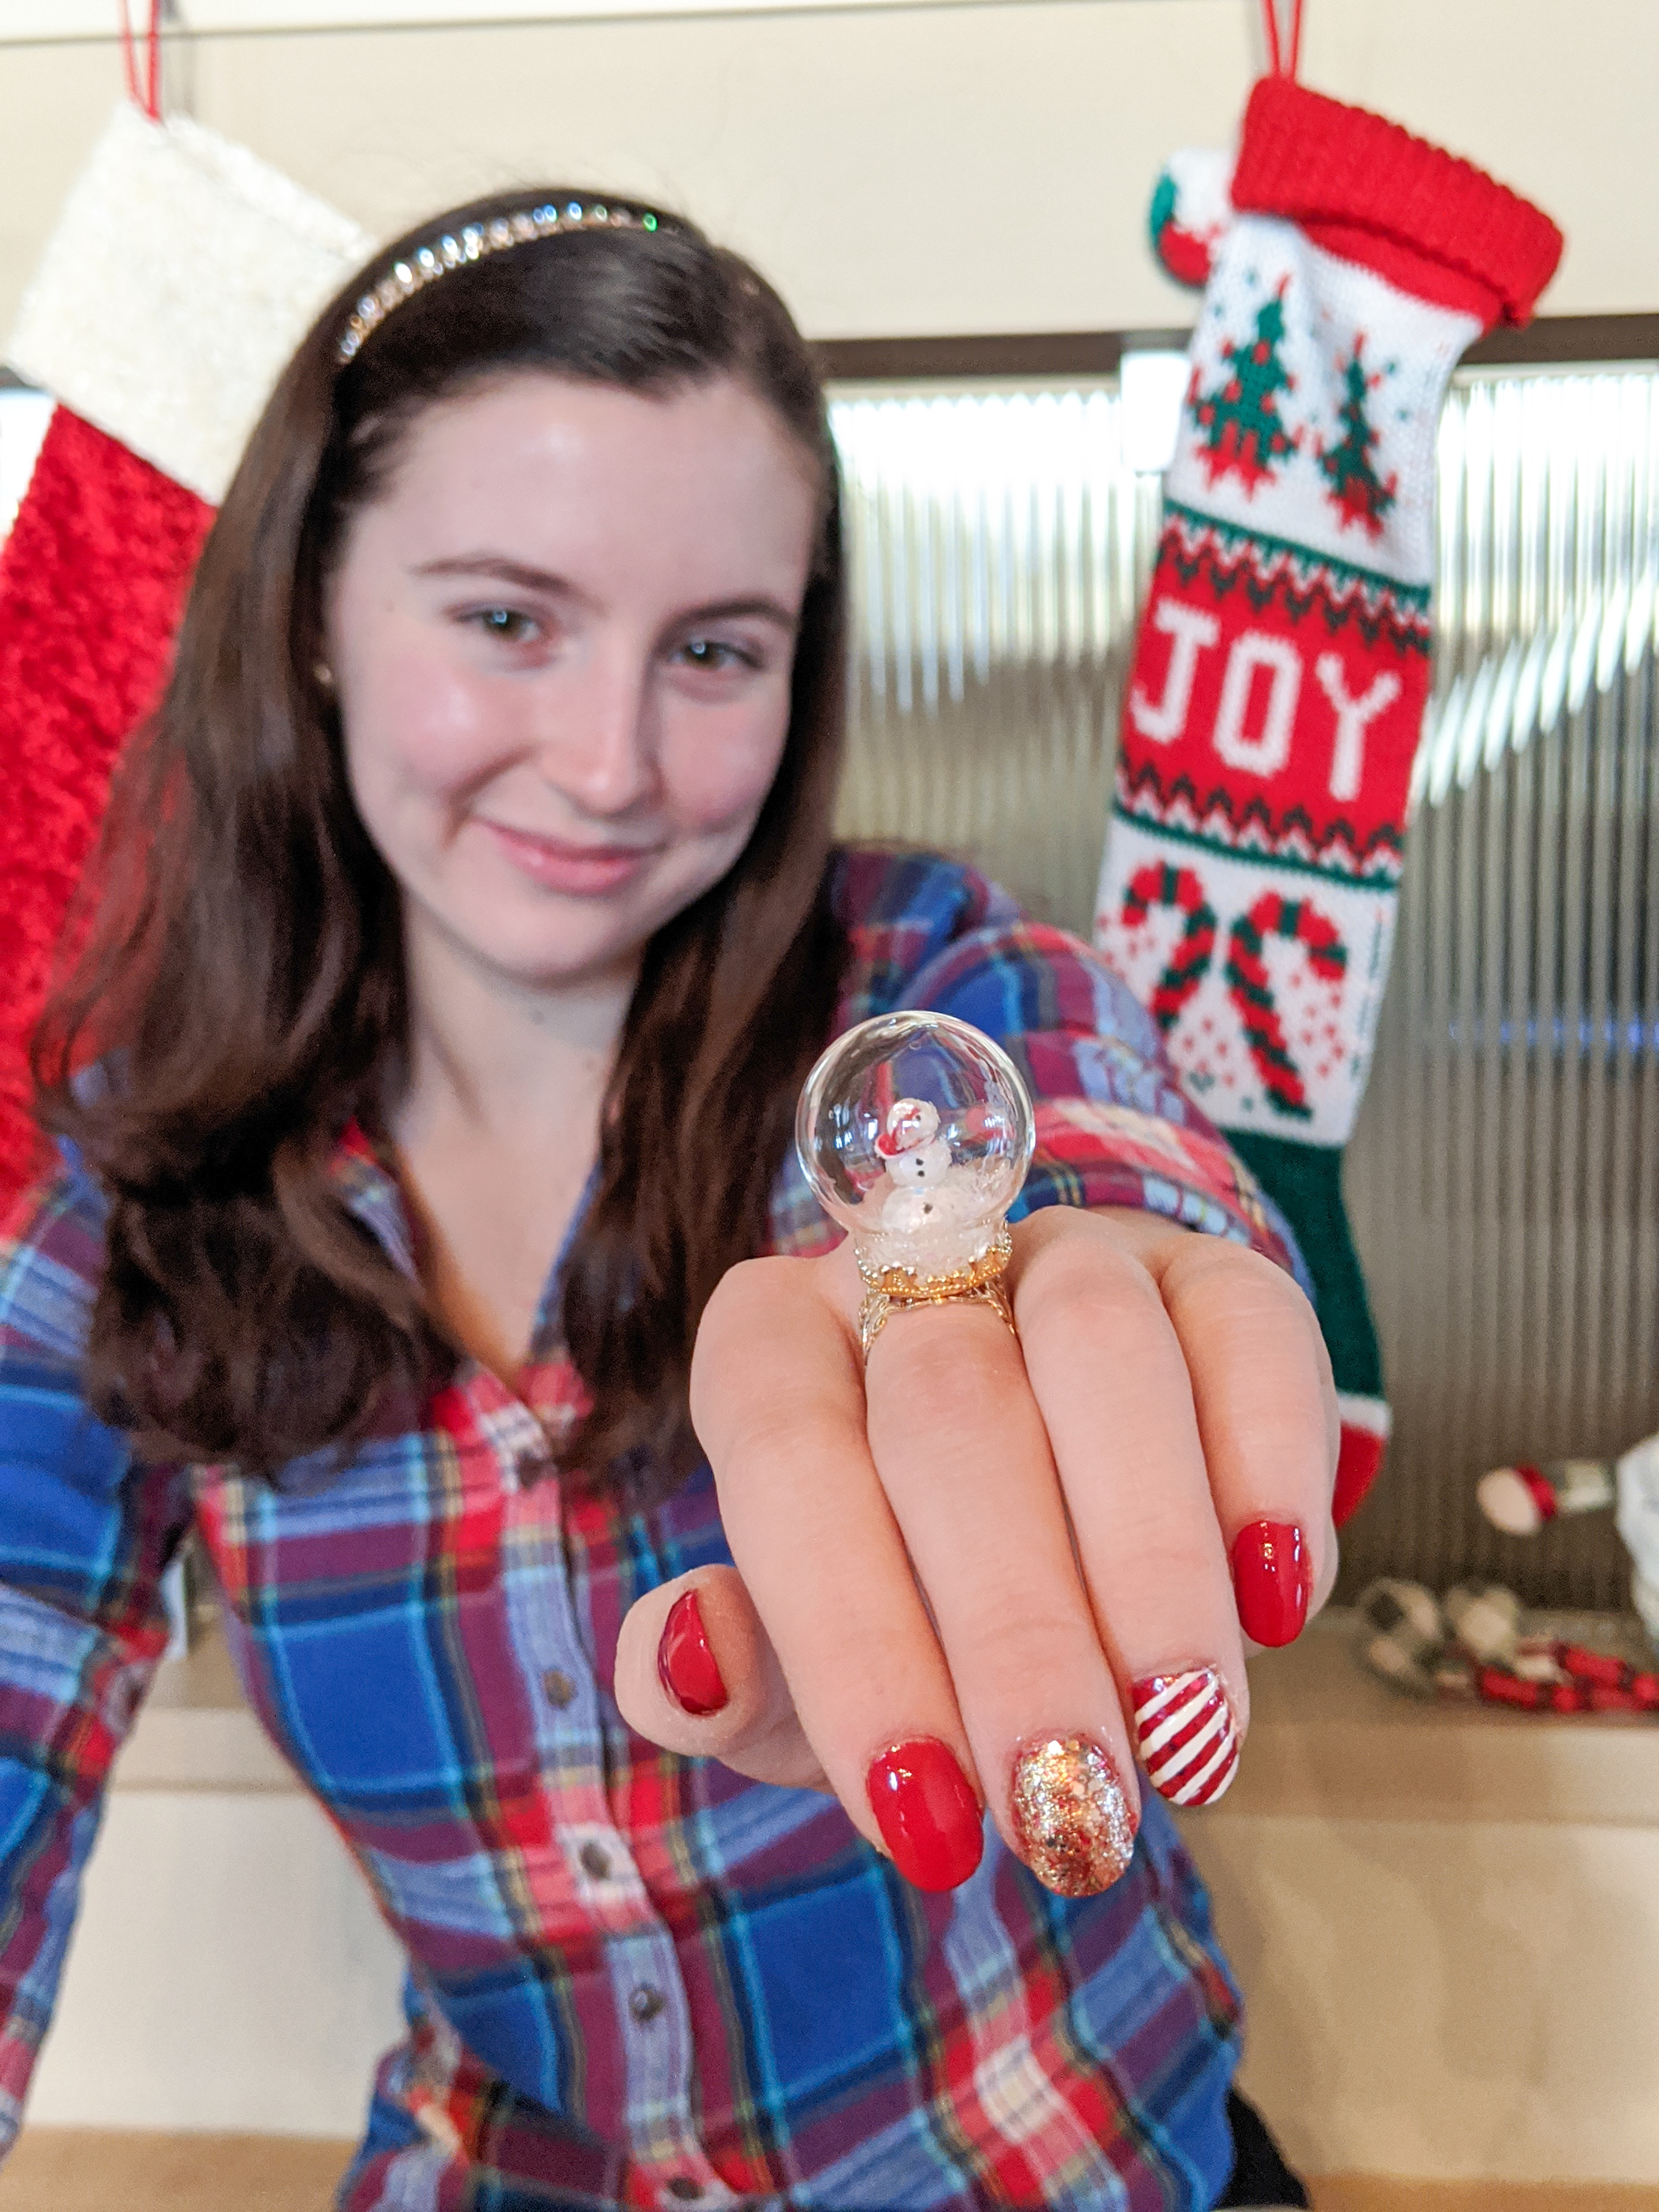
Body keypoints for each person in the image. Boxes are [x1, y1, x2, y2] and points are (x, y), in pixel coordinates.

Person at [0, 187, 1334, 2209]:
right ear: (312, 620)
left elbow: (1090, 1159)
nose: (611, 762)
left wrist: (1103, 1296)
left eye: (716, 650)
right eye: (510, 619)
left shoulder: (939, 989)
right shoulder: (132, 1185)